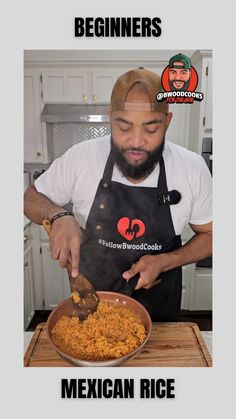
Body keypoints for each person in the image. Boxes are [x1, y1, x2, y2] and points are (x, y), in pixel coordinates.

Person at [24, 67, 212, 321]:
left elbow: (212, 234)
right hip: (93, 309)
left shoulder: (191, 168)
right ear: (110, 117)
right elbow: (30, 197)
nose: (136, 141)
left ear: (167, 122)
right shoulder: (81, 157)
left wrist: (165, 261)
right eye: (123, 127)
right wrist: (58, 216)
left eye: (150, 129)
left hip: (160, 316)